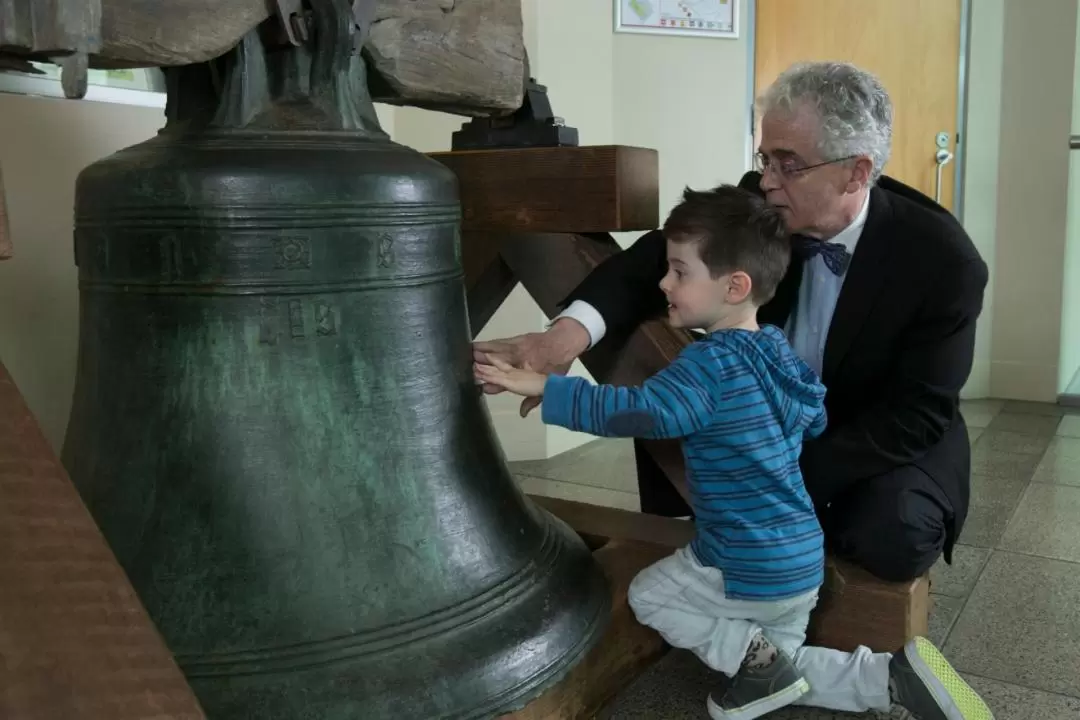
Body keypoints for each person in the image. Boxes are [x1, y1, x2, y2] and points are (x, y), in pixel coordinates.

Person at [475, 186, 992, 720]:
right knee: (788, 664)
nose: (663, 283)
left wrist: (545, 389)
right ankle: (889, 678)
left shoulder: (707, 366)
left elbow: (634, 411)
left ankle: (751, 659)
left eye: (679, 272)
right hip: (801, 558)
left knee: (652, 597)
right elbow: (814, 414)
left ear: (734, 285)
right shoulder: (778, 350)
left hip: (743, 560)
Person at [473, 60, 989, 584]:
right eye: (764, 158)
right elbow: (655, 258)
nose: (766, 181)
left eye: (789, 164)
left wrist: (778, 471)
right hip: (767, 411)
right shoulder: (763, 202)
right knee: (716, 480)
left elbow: (916, 415)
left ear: (856, 171)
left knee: (893, 534)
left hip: (880, 427)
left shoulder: (943, 262)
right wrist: (565, 336)